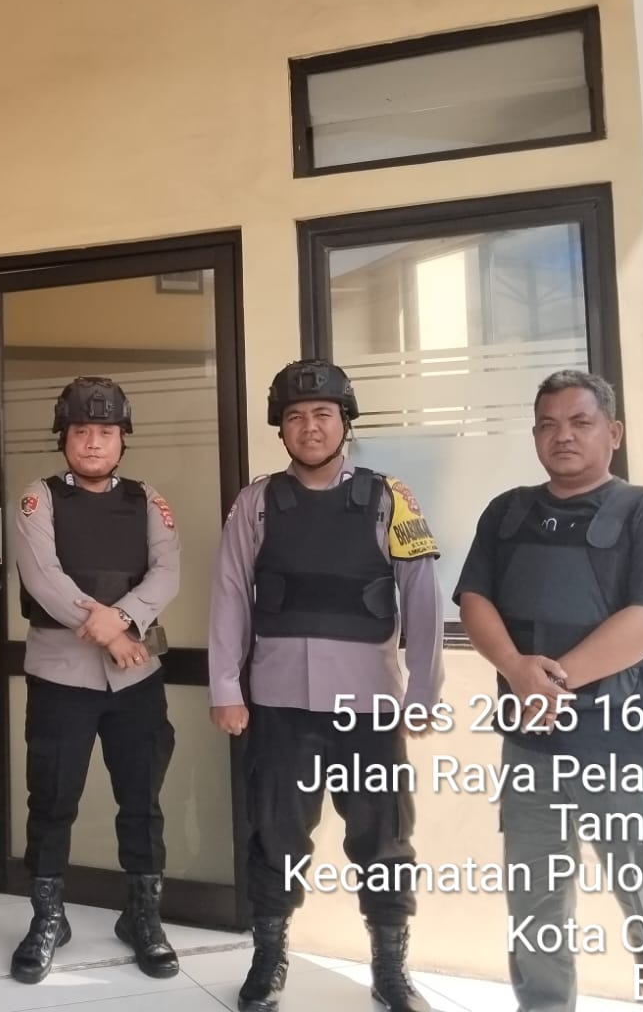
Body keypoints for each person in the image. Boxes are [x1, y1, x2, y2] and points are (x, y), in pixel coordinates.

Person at [455, 370, 643, 1012]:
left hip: (629, 750)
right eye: (548, 425)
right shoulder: (507, 512)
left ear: (614, 433)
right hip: (532, 747)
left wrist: (551, 680)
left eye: (580, 422)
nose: (563, 436)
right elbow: (474, 600)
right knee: (536, 912)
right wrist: (516, 669)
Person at [208, 360, 444, 1012]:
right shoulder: (256, 502)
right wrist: (225, 686)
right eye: (294, 416)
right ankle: (268, 957)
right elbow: (230, 595)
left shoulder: (390, 498)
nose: (309, 427)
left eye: (322, 414)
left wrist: (424, 691)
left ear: (345, 422)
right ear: (280, 428)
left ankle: (390, 968)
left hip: (368, 707)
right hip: (279, 705)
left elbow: (423, 597)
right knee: (275, 836)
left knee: (384, 839)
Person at [9, 376, 182, 984]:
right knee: (52, 800)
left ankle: (142, 917)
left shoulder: (147, 499)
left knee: (141, 799)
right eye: (81, 430)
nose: (92, 442)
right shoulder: (38, 499)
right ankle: (47, 919)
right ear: (64, 437)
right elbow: (43, 578)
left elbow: (167, 572)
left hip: (138, 679)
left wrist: (125, 619)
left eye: (105, 432)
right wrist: (110, 633)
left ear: (121, 439)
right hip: (61, 677)